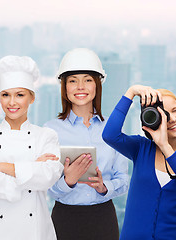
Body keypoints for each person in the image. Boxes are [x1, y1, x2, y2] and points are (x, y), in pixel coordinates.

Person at [102, 85, 176, 239]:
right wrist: (131, 92)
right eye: (165, 115)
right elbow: (109, 135)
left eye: (175, 110)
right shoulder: (141, 148)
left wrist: (165, 147)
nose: (173, 119)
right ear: (154, 121)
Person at [44, 48, 129, 240]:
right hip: (64, 219)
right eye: (73, 80)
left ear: (98, 85)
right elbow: (47, 185)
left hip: (103, 219)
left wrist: (104, 186)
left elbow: (123, 179)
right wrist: (68, 181)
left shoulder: (113, 129)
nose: (80, 86)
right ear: (64, 87)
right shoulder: (50, 131)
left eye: (88, 80)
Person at [0, 56, 63, 240]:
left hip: (35, 232)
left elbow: (48, 176)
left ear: (32, 97)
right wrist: (32, 167)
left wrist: (2, 167)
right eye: (5, 95)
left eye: (20, 95)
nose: (12, 103)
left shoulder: (46, 136)